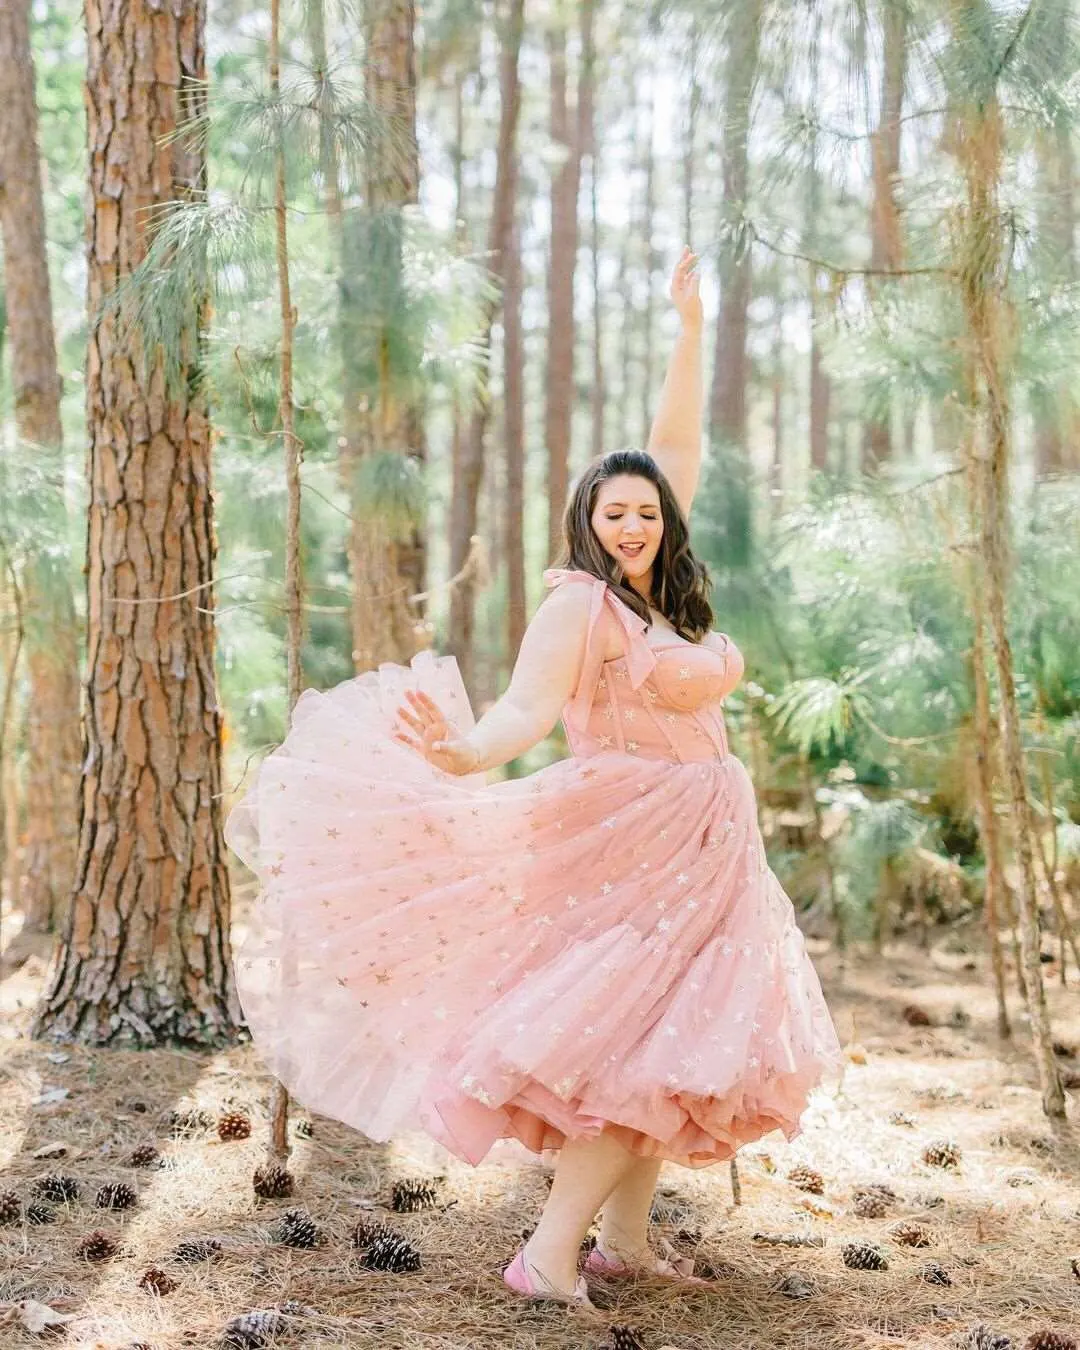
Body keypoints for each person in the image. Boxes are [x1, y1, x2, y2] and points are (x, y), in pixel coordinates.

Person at [223, 247, 842, 1313]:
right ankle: (547, 1256)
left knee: (668, 1045)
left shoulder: (663, 599)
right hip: (630, 842)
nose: (633, 526)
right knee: (636, 1040)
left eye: (646, 512)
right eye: (613, 514)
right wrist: (462, 754)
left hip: (711, 844)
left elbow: (679, 445)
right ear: (585, 523)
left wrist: (692, 331)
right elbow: (523, 711)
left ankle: (624, 1242)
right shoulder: (580, 606)